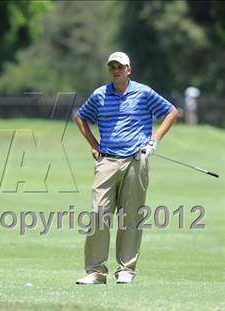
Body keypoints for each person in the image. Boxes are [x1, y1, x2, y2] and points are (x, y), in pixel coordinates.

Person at [75, 52, 178, 285]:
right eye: (112, 67)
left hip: (135, 160)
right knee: (98, 214)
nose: (115, 70)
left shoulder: (143, 93)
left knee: (130, 217)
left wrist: (154, 141)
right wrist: (94, 146)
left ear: (128, 70)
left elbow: (171, 112)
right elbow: (80, 117)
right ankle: (95, 272)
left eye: (120, 67)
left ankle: (126, 270)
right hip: (107, 162)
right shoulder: (100, 95)